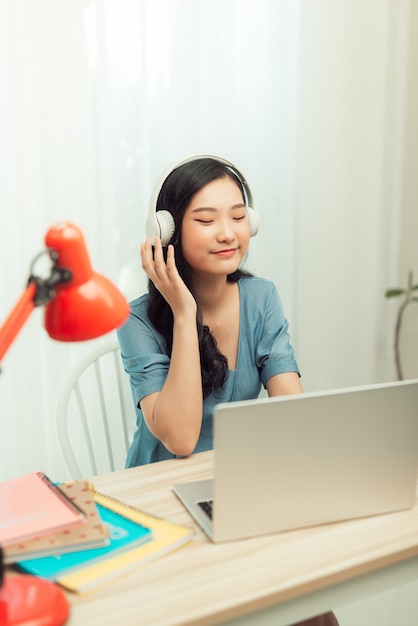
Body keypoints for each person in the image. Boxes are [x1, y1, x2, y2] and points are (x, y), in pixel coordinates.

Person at [117, 155, 339, 626]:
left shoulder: (262, 298)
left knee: (310, 605)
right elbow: (178, 439)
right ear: (168, 233)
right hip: (158, 499)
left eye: (239, 217)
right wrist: (182, 313)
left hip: (235, 487)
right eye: (206, 219)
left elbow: (292, 416)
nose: (227, 233)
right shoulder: (136, 319)